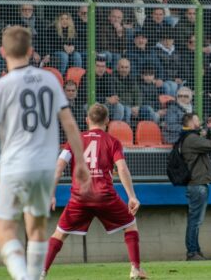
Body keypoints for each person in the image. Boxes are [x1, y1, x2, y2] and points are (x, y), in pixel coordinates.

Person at [0, 26, 90, 280]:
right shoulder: (49, 80)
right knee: (37, 230)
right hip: (44, 168)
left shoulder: (1, 86)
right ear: (31, 51)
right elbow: (69, 124)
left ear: (2, 52)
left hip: (14, 165)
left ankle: (23, 277)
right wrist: (80, 163)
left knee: (3, 228)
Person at [41, 104, 146, 279]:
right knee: (130, 225)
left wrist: (50, 194)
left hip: (80, 197)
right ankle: (135, 269)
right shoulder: (112, 142)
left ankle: (41, 272)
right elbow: (122, 168)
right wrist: (132, 196)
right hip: (104, 195)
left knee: (59, 234)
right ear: (107, 121)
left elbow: (58, 167)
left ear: (87, 120)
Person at [180, 113, 211, 261]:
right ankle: (192, 252)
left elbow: (206, 144)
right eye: (197, 119)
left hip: (198, 184)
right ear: (190, 122)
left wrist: (208, 131)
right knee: (195, 221)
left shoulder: (191, 137)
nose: (200, 121)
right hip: (197, 185)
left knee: (196, 221)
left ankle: (195, 250)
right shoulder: (191, 139)